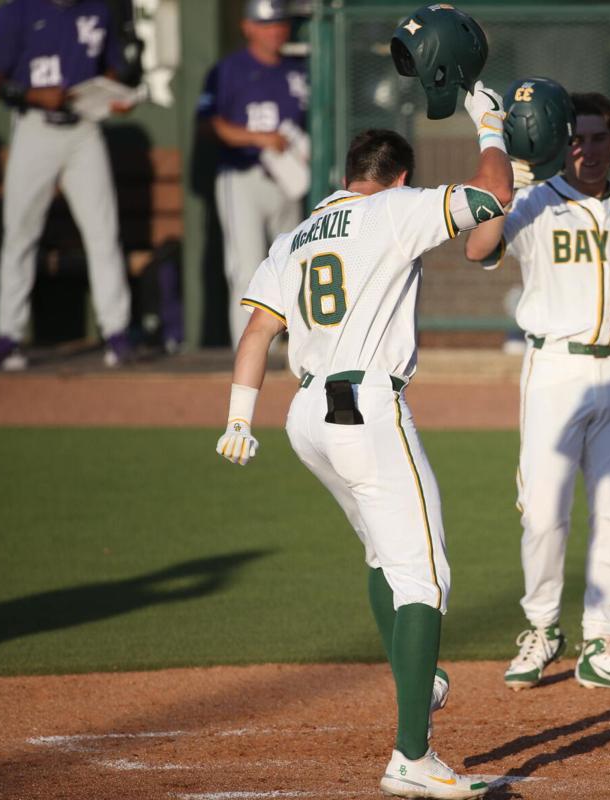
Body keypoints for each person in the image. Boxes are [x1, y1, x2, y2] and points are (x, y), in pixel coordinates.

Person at [214, 82, 511, 798]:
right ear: (398, 176)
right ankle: (412, 757)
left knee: (384, 554)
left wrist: (237, 417)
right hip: (366, 407)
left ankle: (422, 678)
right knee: (428, 577)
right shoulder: (392, 210)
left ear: (349, 172)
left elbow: (258, 331)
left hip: (304, 418)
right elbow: (489, 199)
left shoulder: (295, 235)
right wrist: (490, 127)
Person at [465, 91, 610, 693]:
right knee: (543, 513)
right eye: (576, 137)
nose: (585, 149)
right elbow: (478, 249)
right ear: (563, 141)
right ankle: (540, 627)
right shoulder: (535, 199)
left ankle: (601, 638)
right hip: (555, 366)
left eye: (597, 138)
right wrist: (503, 192)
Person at [0, 0, 137, 370]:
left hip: (84, 126)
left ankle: (116, 332)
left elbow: (111, 68)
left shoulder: (97, 9)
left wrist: (116, 95)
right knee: (20, 232)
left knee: (103, 232)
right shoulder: (15, 10)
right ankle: (9, 335)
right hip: (35, 125)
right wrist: (34, 95)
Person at [198, 0, 309, 346]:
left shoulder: (299, 71)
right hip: (242, 175)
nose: (275, 30)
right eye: (266, 24)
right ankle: (247, 350)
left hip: (289, 180)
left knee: (291, 270)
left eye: (279, 24)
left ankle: (288, 353)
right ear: (248, 27)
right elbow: (208, 125)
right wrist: (257, 138)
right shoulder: (228, 70)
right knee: (246, 270)